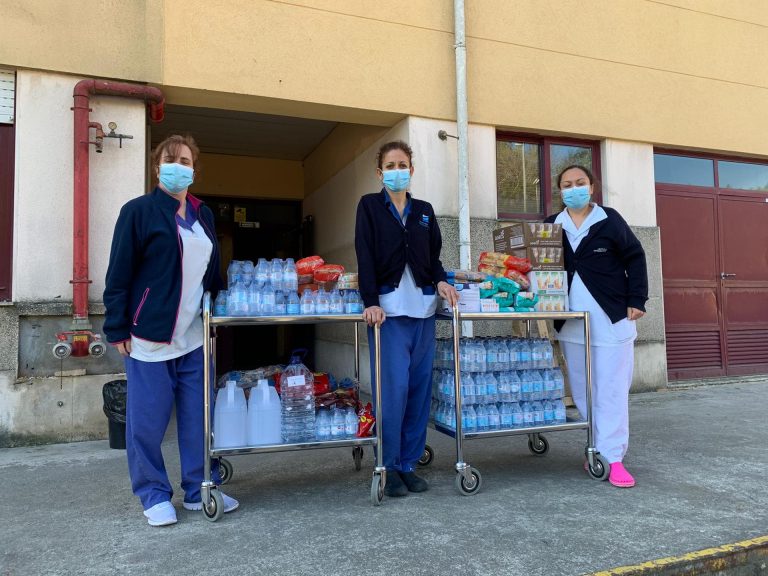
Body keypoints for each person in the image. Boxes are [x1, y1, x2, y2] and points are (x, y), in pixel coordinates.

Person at [103, 134, 239, 526]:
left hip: (193, 335)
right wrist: (117, 329)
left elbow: (210, 270)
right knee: (147, 421)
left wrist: (217, 305)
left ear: (195, 168)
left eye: (185, 160)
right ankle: (152, 493)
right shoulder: (139, 211)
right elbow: (119, 274)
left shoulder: (203, 215)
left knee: (199, 417)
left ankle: (199, 488)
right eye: (170, 158)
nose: (178, 165)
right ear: (156, 166)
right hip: (149, 335)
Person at [355, 140, 459, 497]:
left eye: (403, 164)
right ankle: (387, 462)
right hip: (388, 313)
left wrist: (442, 280)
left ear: (411, 170)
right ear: (380, 172)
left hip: (423, 310)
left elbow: (433, 258)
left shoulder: (425, 211)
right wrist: (369, 300)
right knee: (392, 391)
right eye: (390, 165)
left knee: (418, 390)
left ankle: (408, 463)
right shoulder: (369, 206)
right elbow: (364, 254)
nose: (397, 170)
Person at [545, 165, 648, 488]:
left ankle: (613, 456)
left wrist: (637, 298)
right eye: (566, 185)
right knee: (583, 390)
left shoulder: (609, 219)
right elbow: (539, 266)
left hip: (611, 318)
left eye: (580, 183)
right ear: (559, 190)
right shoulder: (551, 226)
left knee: (612, 390)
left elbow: (635, 257)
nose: (573, 189)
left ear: (592, 187)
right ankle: (595, 448)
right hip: (572, 323)